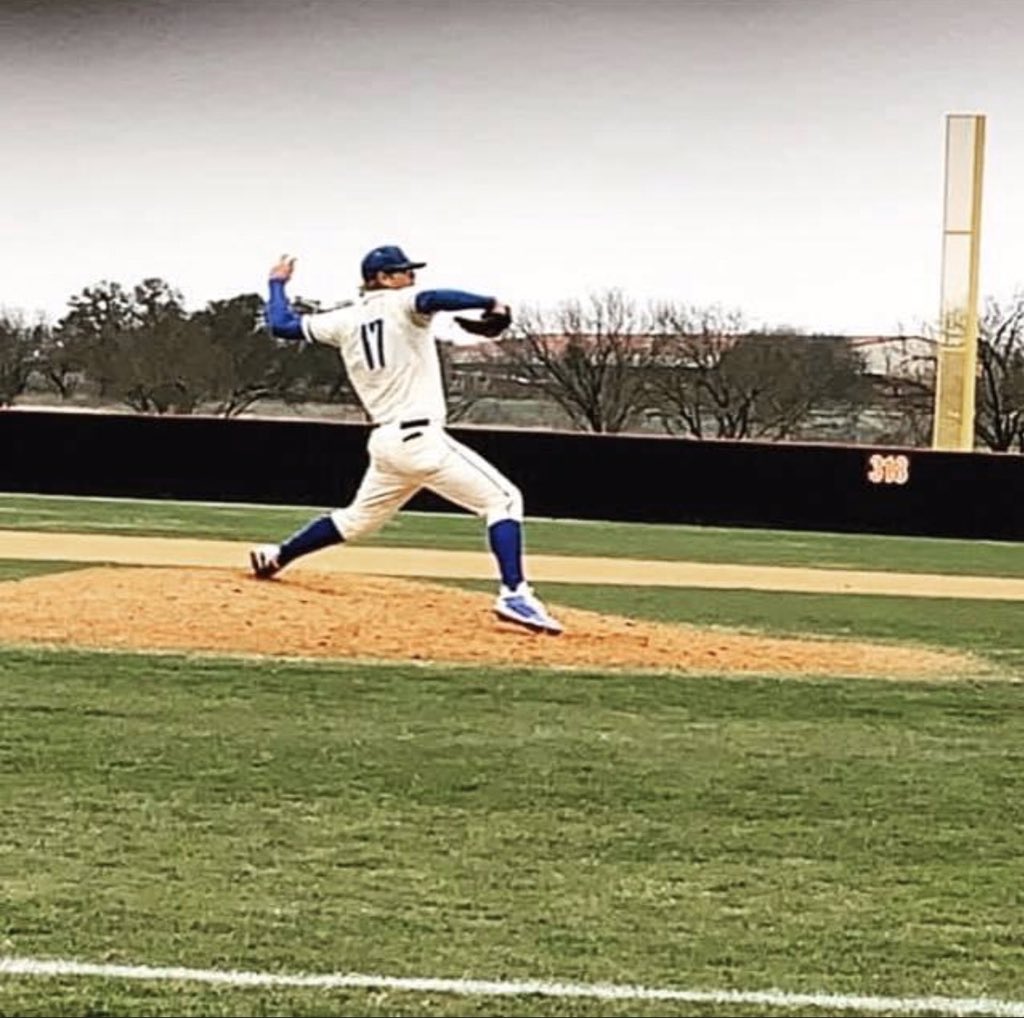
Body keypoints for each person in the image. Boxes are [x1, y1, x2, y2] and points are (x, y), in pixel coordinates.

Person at [250, 244, 563, 635]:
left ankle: (277, 556)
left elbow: (281, 324)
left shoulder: (343, 319)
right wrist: (490, 301)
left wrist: (276, 283)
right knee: (504, 499)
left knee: (357, 521)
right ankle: (515, 593)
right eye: (402, 271)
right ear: (381, 278)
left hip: (387, 442)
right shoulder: (402, 303)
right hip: (419, 437)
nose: (411, 276)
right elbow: (434, 299)